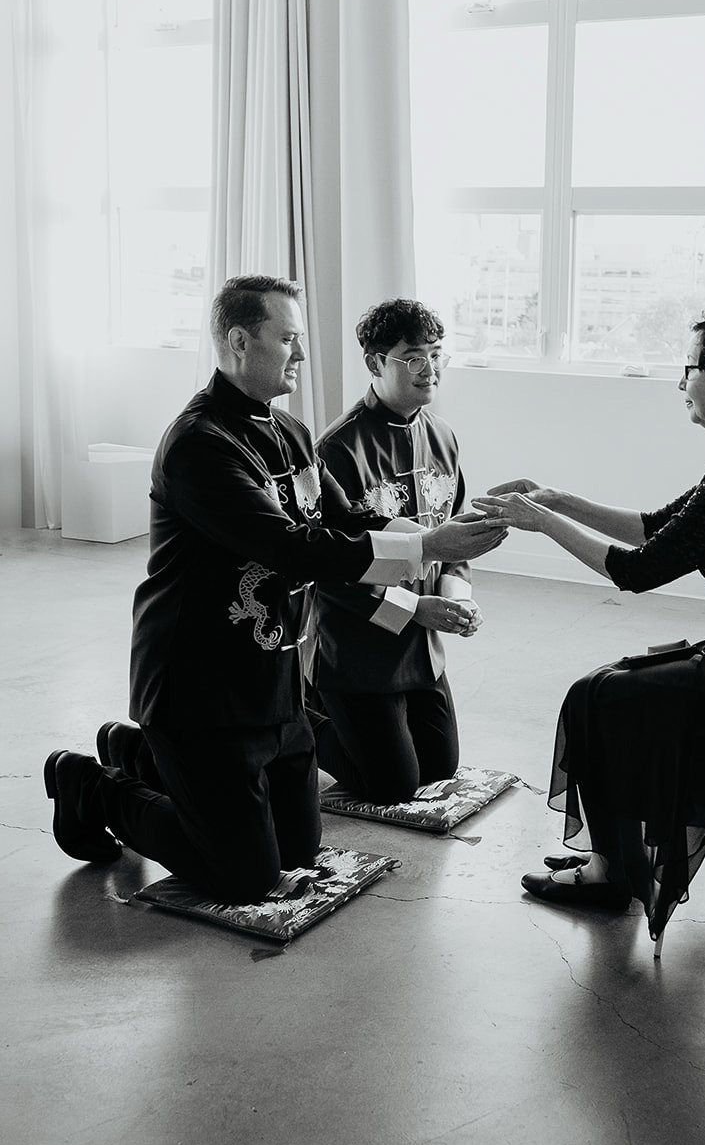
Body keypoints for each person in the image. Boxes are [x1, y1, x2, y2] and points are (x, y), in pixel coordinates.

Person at [43, 275, 506, 903]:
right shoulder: (199, 445)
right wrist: (426, 548)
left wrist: (439, 534)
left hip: (275, 682)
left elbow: (345, 521)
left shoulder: (288, 430)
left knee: (299, 851)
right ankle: (90, 786)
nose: (302, 354)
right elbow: (293, 548)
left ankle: (137, 753)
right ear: (239, 343)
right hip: (200, 686)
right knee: (246, 878)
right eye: (288, 339)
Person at [473, 308, 705, 943]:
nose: (681, 385)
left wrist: (541, 524)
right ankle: (613, 861)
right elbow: (655, 527)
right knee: (612, 688)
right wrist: (558, 499)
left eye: (689, 371)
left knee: (600, 695)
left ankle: (611, 874)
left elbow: (636, 570)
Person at [306, 299, 480, 803]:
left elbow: (455, 537)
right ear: (375, 363)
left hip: (421, 648)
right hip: (359, 648)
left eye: (436, 354)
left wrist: (457, 598)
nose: (430, 369)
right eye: (412, 357)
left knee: (439, 768)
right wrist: (415, 607)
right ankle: (298, 720)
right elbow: (330, 571)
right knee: (390, 786)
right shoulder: (336, 450)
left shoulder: (443, 436)